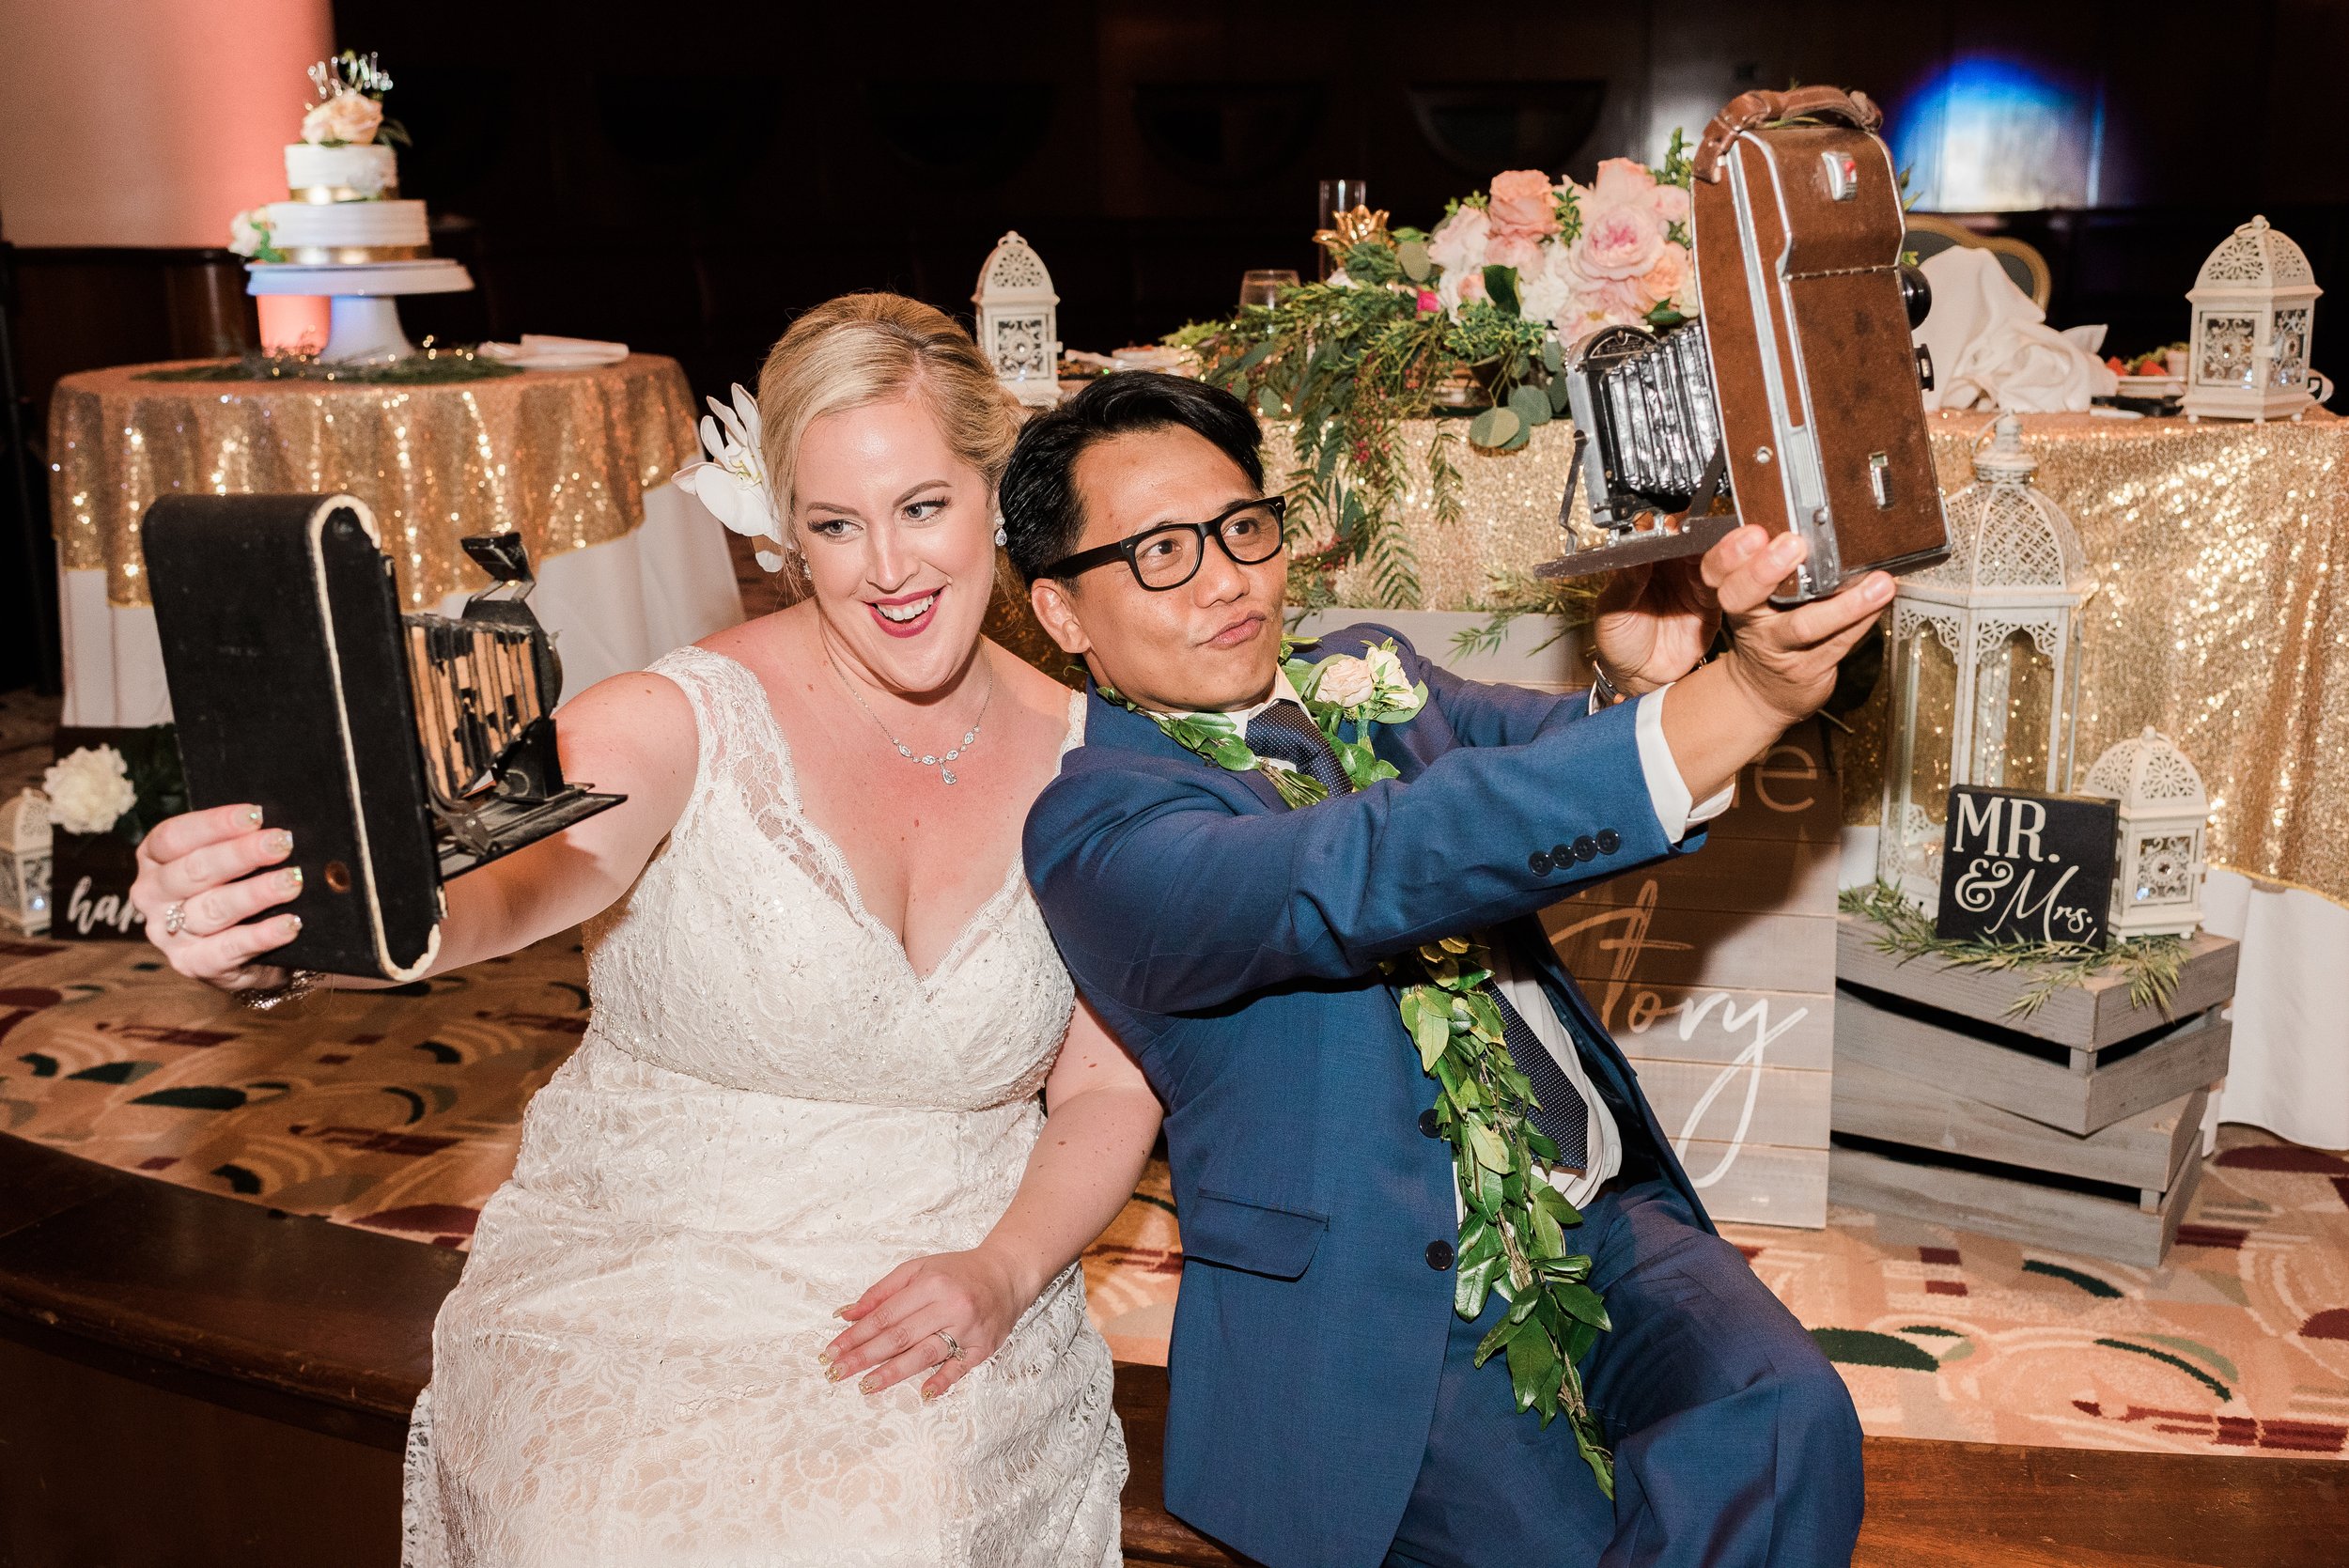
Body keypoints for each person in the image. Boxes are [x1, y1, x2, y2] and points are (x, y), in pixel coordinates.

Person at [130, 294, 1157, 1567]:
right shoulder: (673, 719)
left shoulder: (1100, 763)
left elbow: (1109, 1086)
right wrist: (296, 923)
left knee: (906, 1518)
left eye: (923, 508)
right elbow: (496, 876)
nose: (886, 570)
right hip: (652, 1270)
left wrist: (1002, 1272)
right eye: (835, 525)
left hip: (948, 1270)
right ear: (789, 532)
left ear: (999, 493)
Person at [1001, 371, 1875, 1568]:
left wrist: (1649, 691)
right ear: (1060, 613)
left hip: (1591, 1213)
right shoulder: (1097, 831)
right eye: (1158, 552)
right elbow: (1370, 864)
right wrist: (1748, 691)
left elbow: (1565, 771)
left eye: (1240, 527)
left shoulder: (1373, 673)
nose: (1224, 579)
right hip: (1397, 1305)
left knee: (1784, 1421)